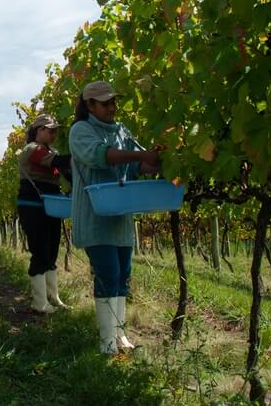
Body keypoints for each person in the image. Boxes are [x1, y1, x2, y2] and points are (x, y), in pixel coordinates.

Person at [69, 80, 161, 354]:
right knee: (108, 274)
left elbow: (136, 165)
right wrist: (140, 154)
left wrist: (154, 160)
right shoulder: (80, 130)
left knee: (123, 277)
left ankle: (121, 337)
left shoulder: (122, 131)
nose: (112, 107)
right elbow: (101, 156)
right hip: (95, 217)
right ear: (89, 105)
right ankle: (106, 341)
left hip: (120, 216)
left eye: (113, 102)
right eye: (105, 103)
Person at [17, 114, 71, 313]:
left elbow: (64, 170)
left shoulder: (51, 152)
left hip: (51, 206)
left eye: (55, 130)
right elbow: (56, 162)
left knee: (51, 251)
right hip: (32, 206)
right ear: (38, 131)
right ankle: (39, 303)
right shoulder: (32, 150)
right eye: (50, 130)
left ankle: (53, 298)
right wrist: (78, 157)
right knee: (39, 251)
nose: (54, 133)